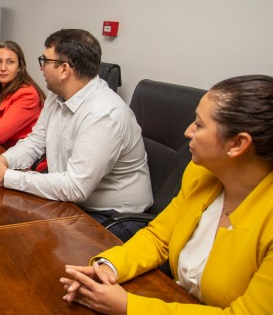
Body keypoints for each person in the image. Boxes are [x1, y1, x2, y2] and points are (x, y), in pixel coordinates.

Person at [61, 75, 273, 314]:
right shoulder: (200, 174)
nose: (187, 132)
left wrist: (129, 306)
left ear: (237, 144)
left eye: (199, 125)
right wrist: (108, 267)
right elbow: (159, 237)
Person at [0, 29, 152, 241]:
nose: (41, 68)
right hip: (73, 202)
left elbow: (76, 187)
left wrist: (5, 177)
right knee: (3, 225)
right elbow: (35, 142)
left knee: (34, 248)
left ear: (64, 69)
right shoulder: (57, 95)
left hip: (113, 216)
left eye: (45, 60)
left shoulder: (104, 113)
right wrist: (3, 161)